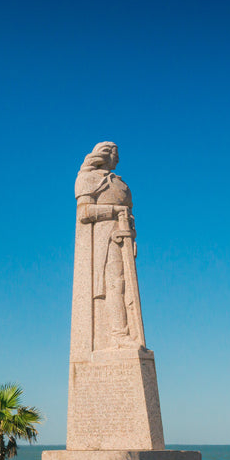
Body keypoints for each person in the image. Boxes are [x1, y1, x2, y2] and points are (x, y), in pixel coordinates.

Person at [74, 141, 141, 349]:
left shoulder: (120, 184)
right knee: (115, 285)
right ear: (104, 154)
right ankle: (118, 334)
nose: (118, 159)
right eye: (115, 154)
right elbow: (84, 213)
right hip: (103, 239)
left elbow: (130, 215)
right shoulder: (88, 178)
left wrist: (132, 236)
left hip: (124, 239)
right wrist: (114, 211)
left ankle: (127, 334)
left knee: (125, 287)